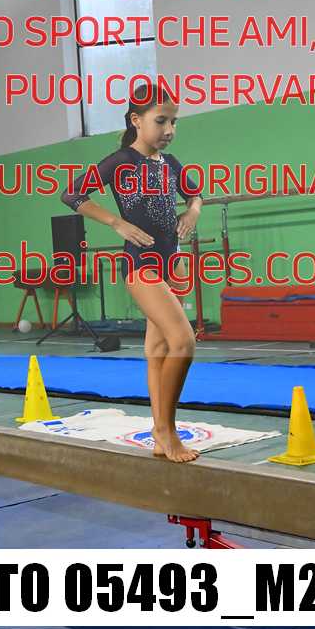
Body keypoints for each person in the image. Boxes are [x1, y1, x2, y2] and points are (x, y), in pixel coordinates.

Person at [61, 83, 203, 463]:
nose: (169, 129)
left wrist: (192, 212)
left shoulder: (170, 164)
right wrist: (116, 222)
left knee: (158, 349)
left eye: (174, 122)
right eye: (161, 121)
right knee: (183, 341)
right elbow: (73, 194)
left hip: (170, 264)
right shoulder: (121, 161)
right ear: (136, 120)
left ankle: (160, 432)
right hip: (142, 266)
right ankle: (167, 430)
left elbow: (195, 194)